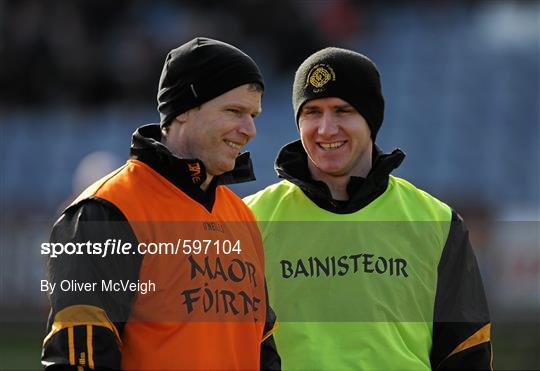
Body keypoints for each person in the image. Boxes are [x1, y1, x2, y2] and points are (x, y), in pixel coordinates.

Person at [244, 47, 492, 370]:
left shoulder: (437, 222)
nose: (326, 129)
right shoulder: (247, 221)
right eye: (312, 112)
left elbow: (465, 352)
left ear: (371, 120)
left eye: (342, 110)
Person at [42, 37, 280, 370]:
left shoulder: (242, 217)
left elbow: (264, 352)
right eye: (234, 111)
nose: (250, 129)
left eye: (252, 114)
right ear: (183, 111)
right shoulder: (104, 212)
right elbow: (79, 358)